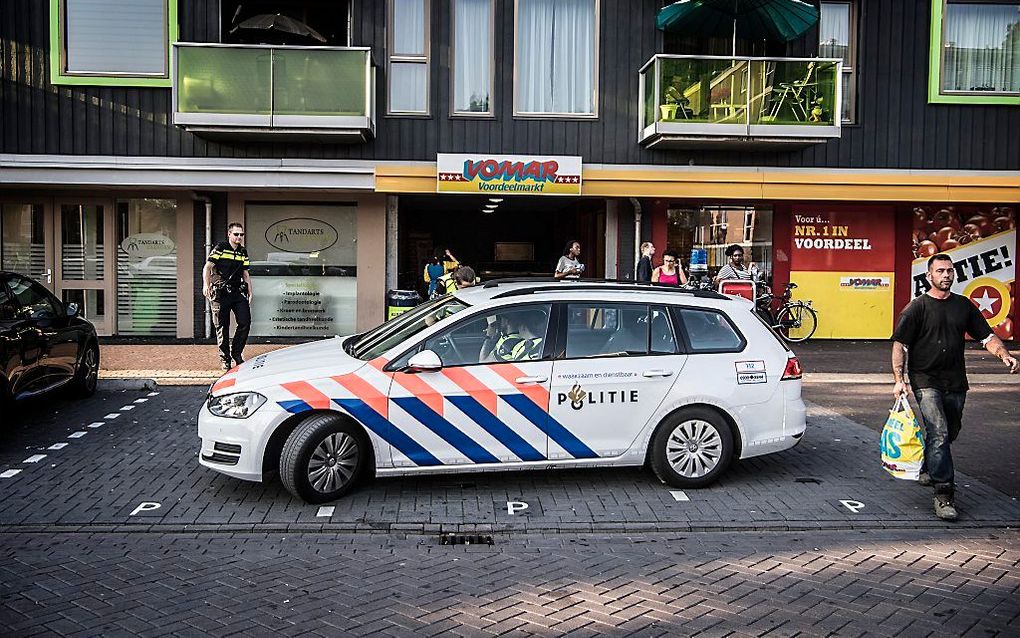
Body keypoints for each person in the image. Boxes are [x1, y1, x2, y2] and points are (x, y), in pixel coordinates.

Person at [891, 253, 1018, 521]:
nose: (946, 275)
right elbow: (899, 345)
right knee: (938, 431)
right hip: (925, 379)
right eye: (940, 271)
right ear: (929, 276)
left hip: (956, 380)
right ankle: (944, 494)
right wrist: (899, 380)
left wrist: (1004, 355)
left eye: (949, 271)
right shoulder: (917, 308)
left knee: (950, 431)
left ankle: (928, 466)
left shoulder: (963, 306)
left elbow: (987, 336)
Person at [203, 222, 252, 371]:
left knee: (245, 322)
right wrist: (206, 285)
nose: (239, 237)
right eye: (236, 234)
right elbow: (207, 267)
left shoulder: (243, 252)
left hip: (237, 293)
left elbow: (245, 273)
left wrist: (250, 291)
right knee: (222, 327)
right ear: (229, 234)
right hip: (221, 293)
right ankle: (225, 359)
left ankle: (236, 354)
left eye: (241, 234)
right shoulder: (221, 248)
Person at [480, 310, 547, 362]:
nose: (499, 322)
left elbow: (483, 361)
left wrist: (488, 336)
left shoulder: (510, 343)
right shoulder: (508, 338)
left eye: (501, 319)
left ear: (507, 321)